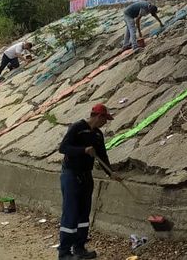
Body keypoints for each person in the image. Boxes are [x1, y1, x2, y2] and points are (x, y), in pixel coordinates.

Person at [56, 103, 118, 260]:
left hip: (86, 176)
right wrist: (83, 150)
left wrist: (111, 173)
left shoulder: (97, 135)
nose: (105, 122)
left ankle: (79, 247)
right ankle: (64, 252)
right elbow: (63, 148)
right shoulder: (77, 128)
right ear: (98, 116)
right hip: (71, 175)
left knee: (84, 214)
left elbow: (102, 156)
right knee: (71, 213)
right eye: (105, 119)